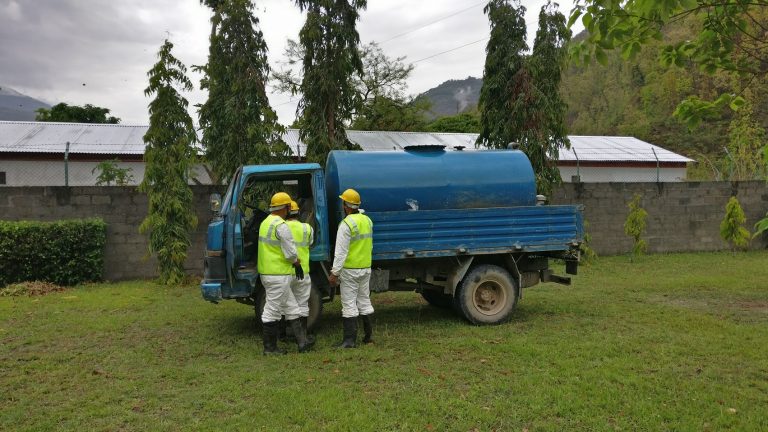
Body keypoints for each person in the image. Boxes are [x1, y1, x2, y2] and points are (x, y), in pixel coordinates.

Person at [257, 192, 313, 355]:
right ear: (287, 207)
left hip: (268, 273)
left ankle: (302, 343)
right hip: (278, 274)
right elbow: (290, 253)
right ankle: (270, 348)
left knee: (292, 307)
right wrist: (296, 262)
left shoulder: (265, 223)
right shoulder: (281, 226)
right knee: (272, 310)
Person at [328, 188, 374, 348]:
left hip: (350, 270)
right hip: (365, 268)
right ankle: (368, 336)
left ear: (345, 205)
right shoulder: (367, 220)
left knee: (348, 304)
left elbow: (340, 252)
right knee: (364, 300)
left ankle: (349, 341)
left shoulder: (346, 224)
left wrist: (334, 273)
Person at [285, 200, 315, 344]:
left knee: (284, 305)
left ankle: (285, 334)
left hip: (285, 272)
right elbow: (310, 244)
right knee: (302, 304)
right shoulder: (307, 228)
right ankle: (303, 336)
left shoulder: (281, 228)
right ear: (298, 212)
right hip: (303, 272)